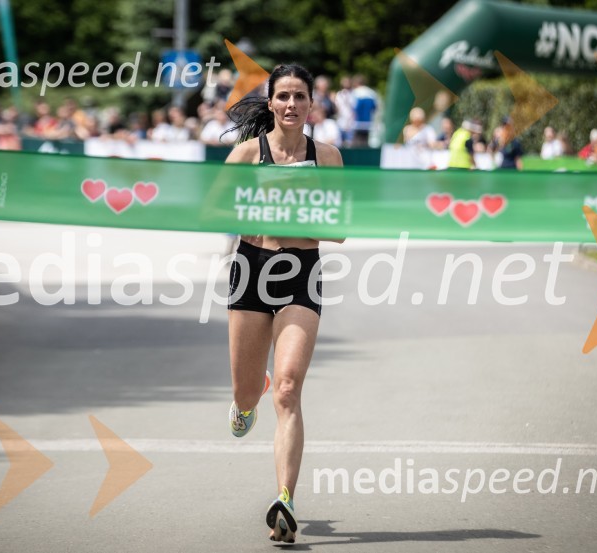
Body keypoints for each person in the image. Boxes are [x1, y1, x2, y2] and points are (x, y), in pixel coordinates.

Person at [223, 63, 344, 544]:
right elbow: (212, 210)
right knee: (248, 392)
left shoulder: (328, 156)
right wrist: (259, 206)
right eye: (283, 96)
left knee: (288, 390)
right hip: (252, 267)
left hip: (301, 271)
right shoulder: (247, 154)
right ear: (270, 103)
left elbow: (338, 229)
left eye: (300, 96)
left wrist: (298, 213)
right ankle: (244, 399)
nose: (291, 104)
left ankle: (284, 502)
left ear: (312, 104)